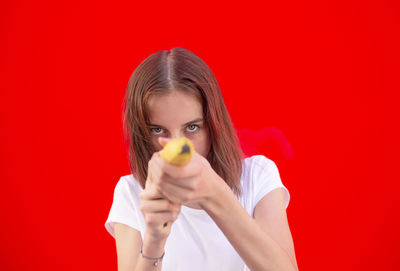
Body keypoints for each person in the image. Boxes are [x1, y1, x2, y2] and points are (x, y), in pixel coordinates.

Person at [104, 47, 298, 271]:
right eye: (158, 130)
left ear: (213, 125)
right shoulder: (131, 192)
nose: (177, 144)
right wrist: (154, 241)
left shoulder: (258, 176)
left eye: (192, 127)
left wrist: (215, 193)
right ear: (142, 133)